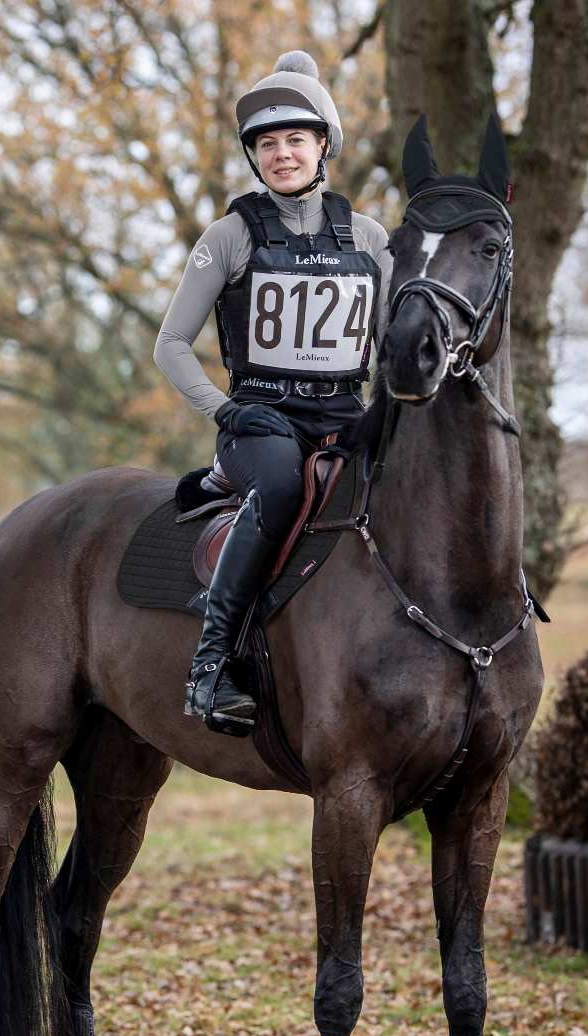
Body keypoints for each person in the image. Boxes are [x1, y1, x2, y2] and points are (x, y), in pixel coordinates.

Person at [154, 50, 392, 736]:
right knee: (284, 489)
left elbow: (391, 349)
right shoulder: (229, 236)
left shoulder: (371, 238)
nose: (282, 154)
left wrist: (382, 414)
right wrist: (224, 409)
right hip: (262, 424)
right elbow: (170, 345)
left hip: (346, 417)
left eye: (295, 139)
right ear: (254, 158)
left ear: (323, 146)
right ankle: (209, 667)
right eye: (267, 144)